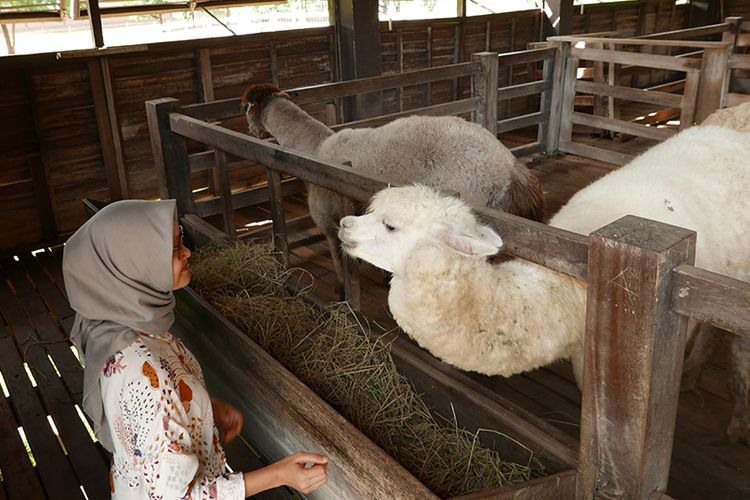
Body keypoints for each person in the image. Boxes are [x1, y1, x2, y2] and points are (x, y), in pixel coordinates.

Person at [63, 199, 329, 499]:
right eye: (175, 248)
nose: (188, 252)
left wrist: (200, 409)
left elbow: (149, 415)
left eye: (180, 239)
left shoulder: (120, 329)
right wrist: (279, 474)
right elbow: (181, 496)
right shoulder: (139, 367)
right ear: (137, 263)